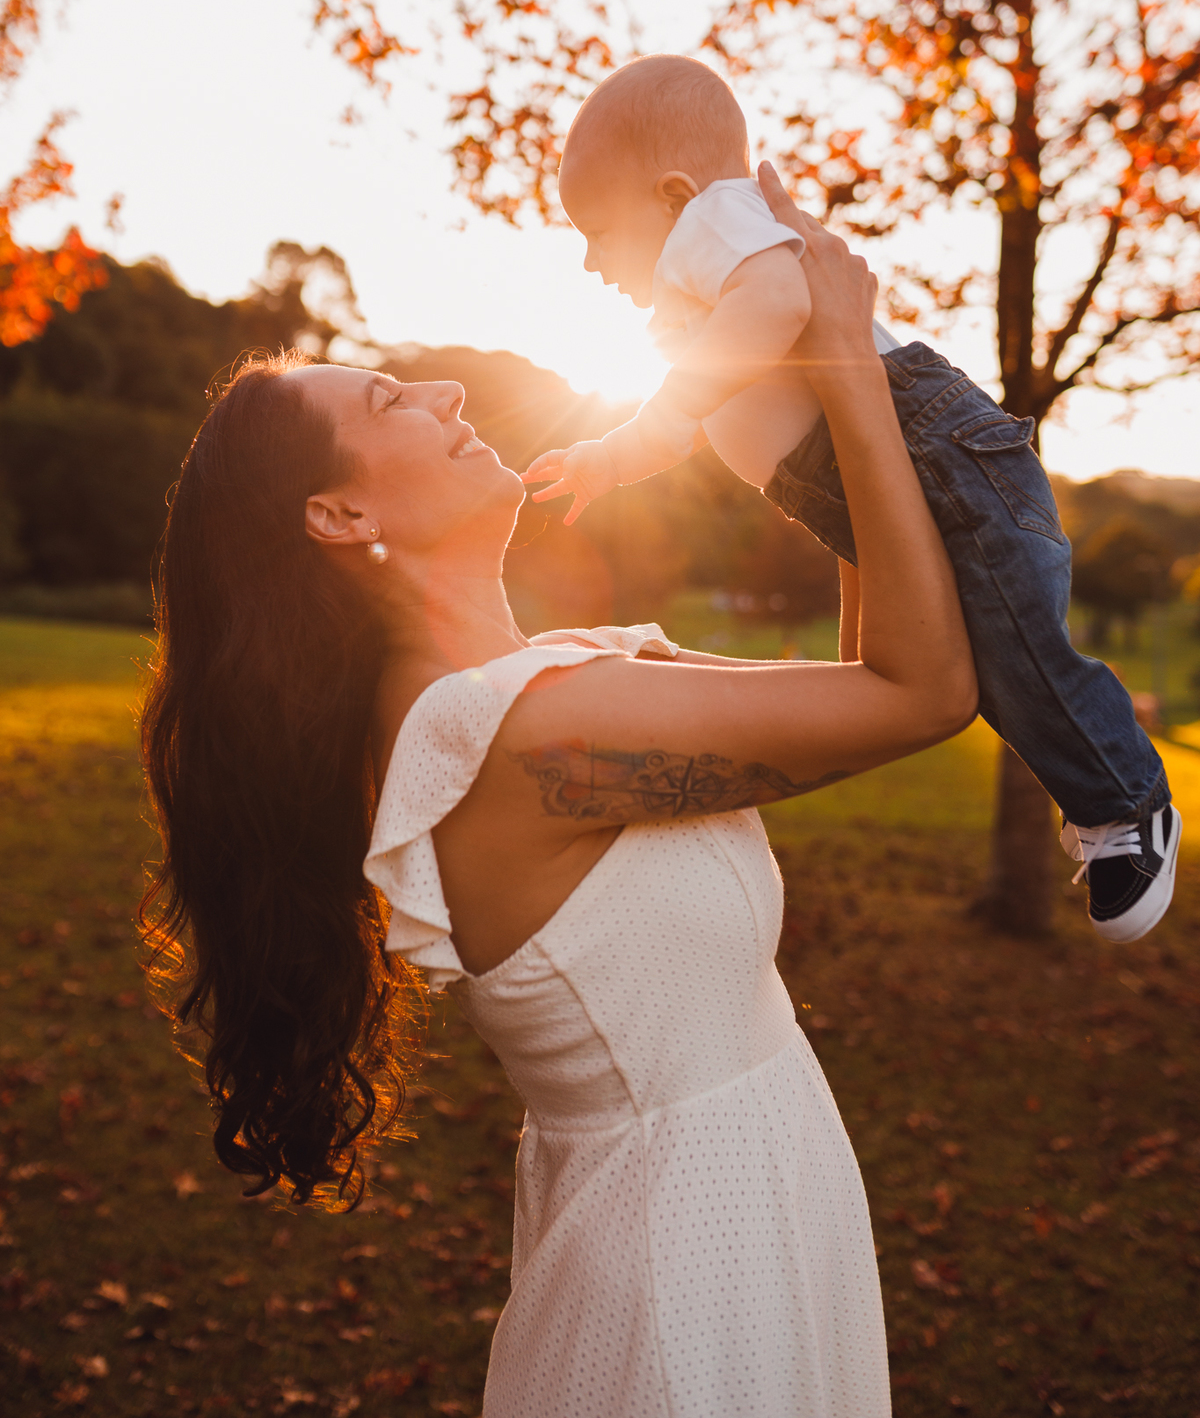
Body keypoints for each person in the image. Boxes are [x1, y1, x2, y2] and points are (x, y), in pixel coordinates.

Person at [141, 198, 975, 1418]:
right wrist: (848, 370)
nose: (446, 396)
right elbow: (923, 691)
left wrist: (813, 401)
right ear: (341, 516)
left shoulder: (544, 686)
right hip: (688, 1282)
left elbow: (861, 683)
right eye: (390, 404)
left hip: (757, 1203)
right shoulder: (520, 736)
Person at [524, 54, 1181, 944]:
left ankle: (1126, 798)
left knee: (1018, 636)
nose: (589, 258)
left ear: (675, 195)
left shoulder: (714, 223)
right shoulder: (696, 280)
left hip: (931, 442)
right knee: (982, 654)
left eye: (597, 228)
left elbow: (779, 302)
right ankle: (1100, 796)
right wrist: (620, 454)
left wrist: (637, 432)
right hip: (870, 470)